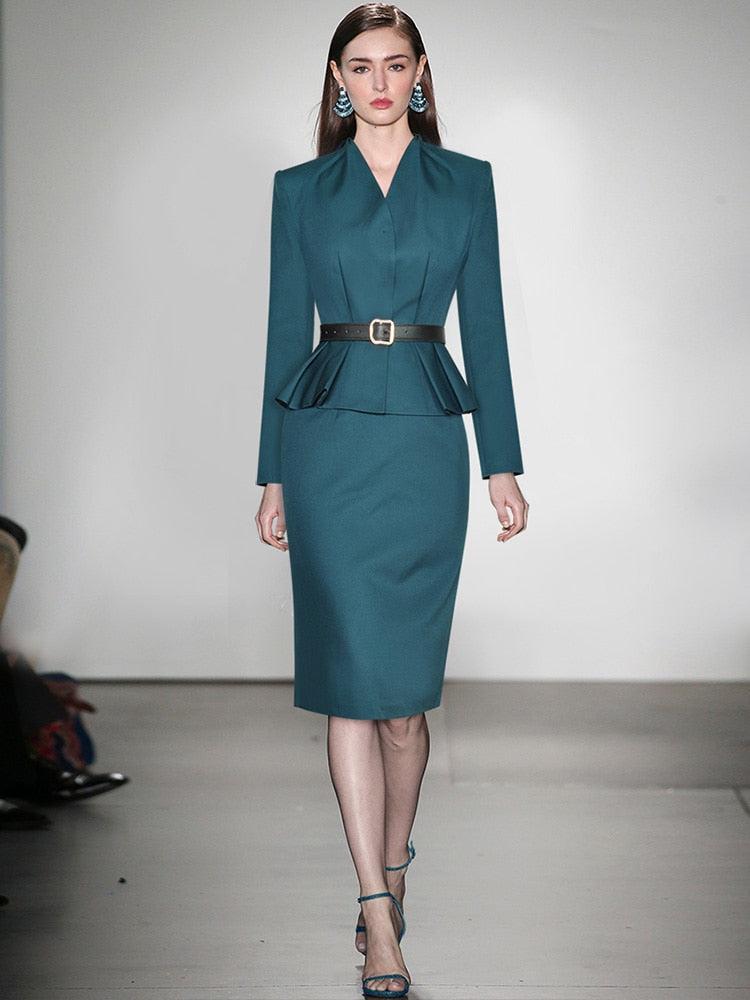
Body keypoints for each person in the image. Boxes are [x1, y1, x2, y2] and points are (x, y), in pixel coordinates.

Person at [255, 6, 528, 996]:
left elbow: (486, 326)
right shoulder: (300, 190)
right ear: (337, 77)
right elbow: (284, 333)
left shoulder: (467, 182)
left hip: (422, 435)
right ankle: (377, 913)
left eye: (395, 64)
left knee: (405, 706)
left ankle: (396, 862)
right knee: (348, 686)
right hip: (326, 440)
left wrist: (502, 462)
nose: (378, 81)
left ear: (419, 74)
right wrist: (271, 473)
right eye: (360, 66)